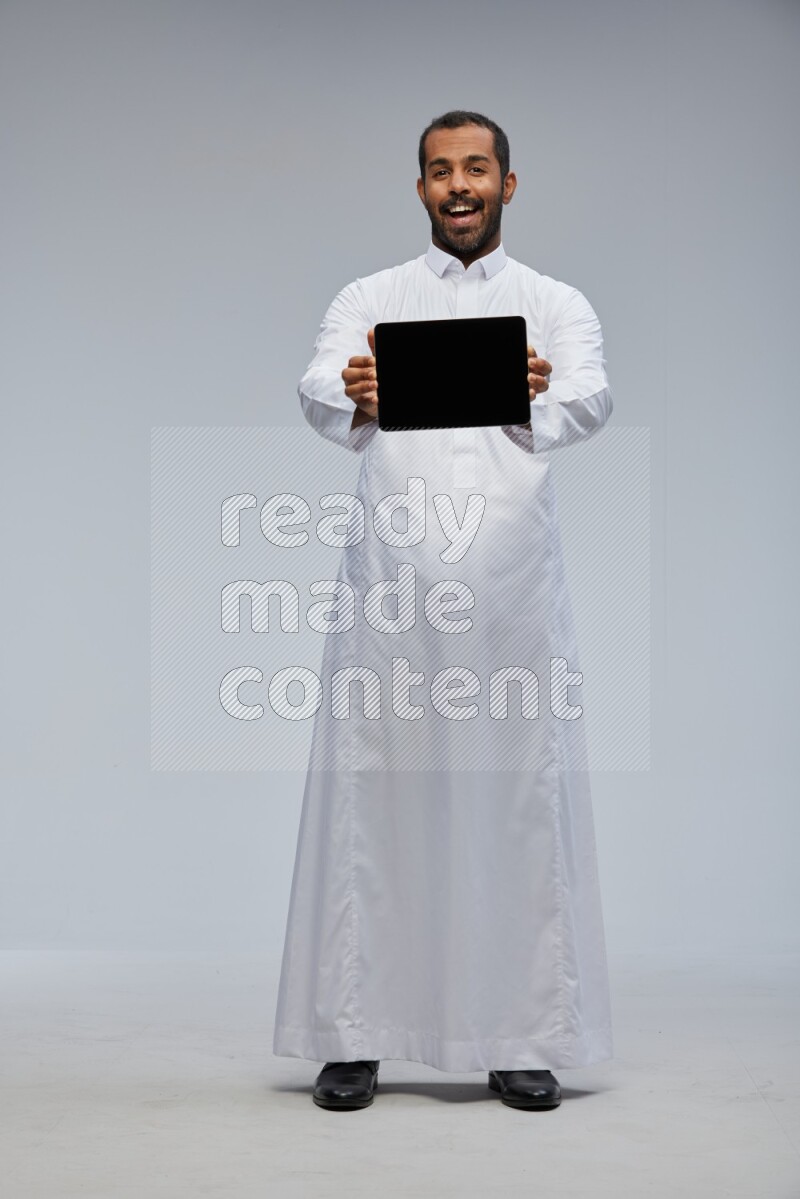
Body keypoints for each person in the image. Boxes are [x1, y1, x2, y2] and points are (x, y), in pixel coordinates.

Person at [272, 110, 614, 1112]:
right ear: (418, 188)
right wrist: (354, 388)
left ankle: (519, 1034)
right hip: (392, 585)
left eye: (475, 169)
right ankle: (354, 1031)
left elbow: (589, 394)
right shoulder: (370, 297)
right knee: (374, 796)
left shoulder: (552, 303)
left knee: (514, 798)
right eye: (437, 171)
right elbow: (316, 381)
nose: (456, 185)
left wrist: (527, 394)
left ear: (508, 184)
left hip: (509, 591)